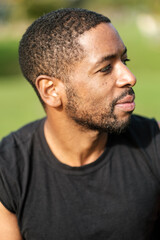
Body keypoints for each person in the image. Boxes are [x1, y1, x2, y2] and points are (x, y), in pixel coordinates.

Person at [0, 8, 160, 240]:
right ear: (51, 90)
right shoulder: (9, 172)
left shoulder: (153, 144)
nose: (129, 77)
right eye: (106, 68)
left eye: (124, 60)